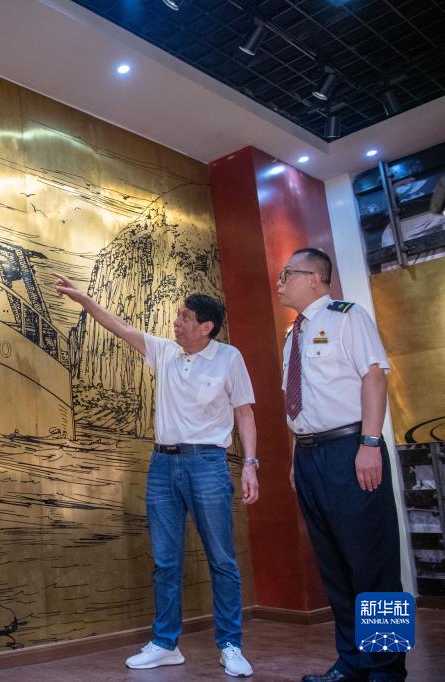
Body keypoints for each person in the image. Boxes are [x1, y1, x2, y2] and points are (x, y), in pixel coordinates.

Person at [55, 274, 259, 678]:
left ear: (206, 327)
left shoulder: (229, 358)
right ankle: (166, 644)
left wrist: (251, 463)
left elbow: (244, 413)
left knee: (221, 559)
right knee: (166, 561)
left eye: (185, 317)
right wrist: (84, 299)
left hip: (207, 463)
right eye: (178, 315)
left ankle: (230, 645)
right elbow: (119, 326)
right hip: (162, 465)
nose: (176, 322)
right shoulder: (164, 351)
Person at [276, 248, 405, 682]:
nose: (280, 283)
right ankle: (351, 663)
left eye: (287, 275)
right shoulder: (292, 335)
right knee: (334, 566)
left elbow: (374, 378)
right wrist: (297, 458)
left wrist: (369, 442)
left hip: (350, 449)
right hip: (309, 455)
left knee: (373, 565)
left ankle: (386, 670)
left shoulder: (348, 317)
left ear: (314, 278)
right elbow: (301, 404)